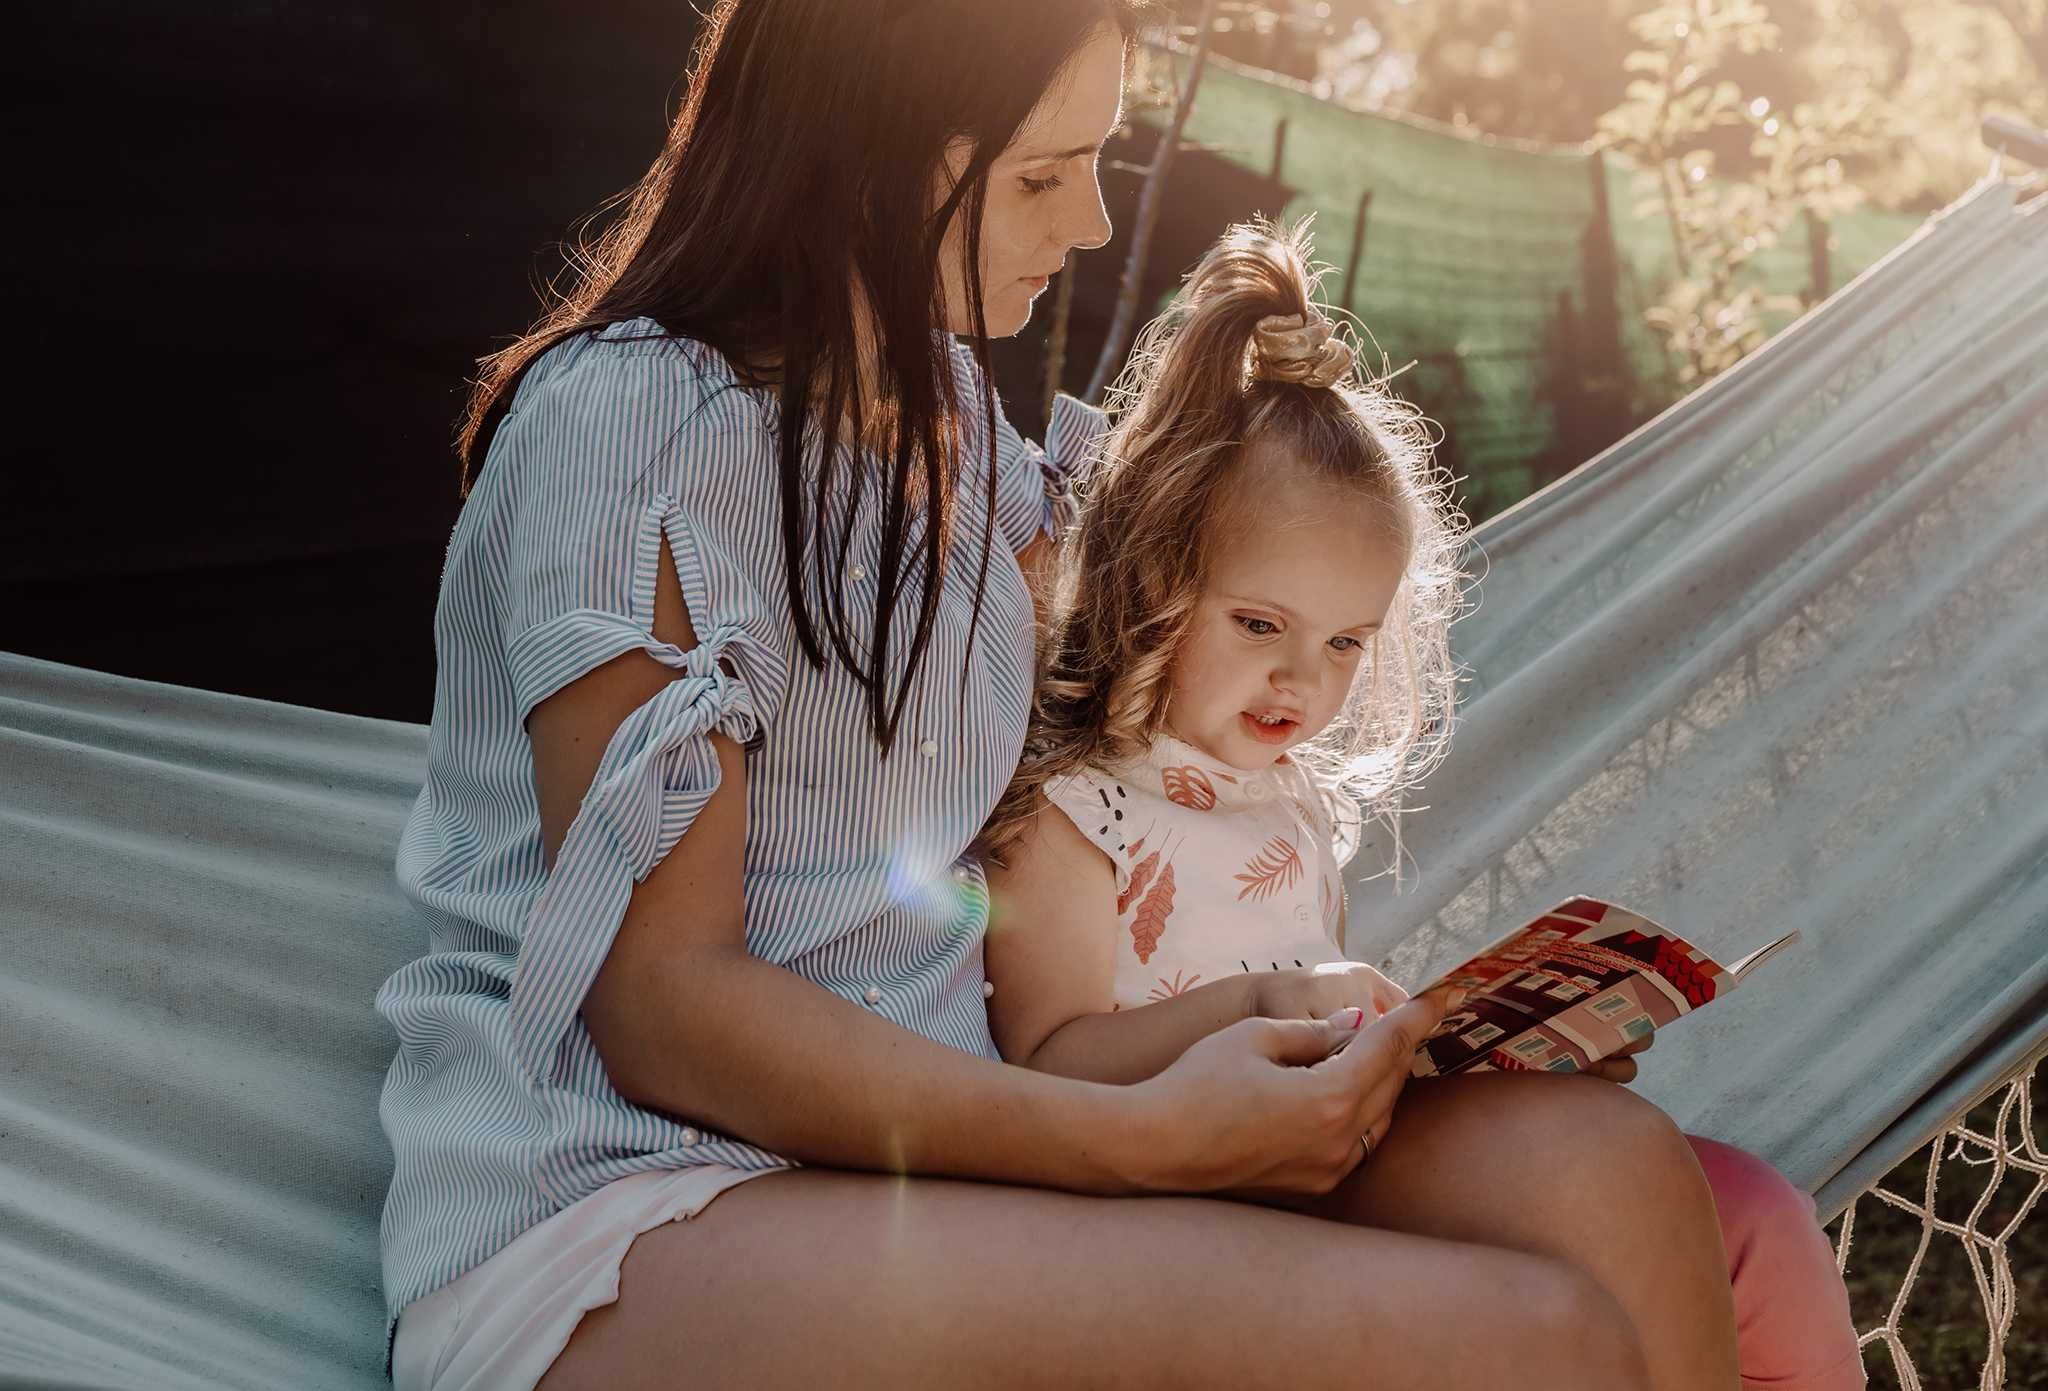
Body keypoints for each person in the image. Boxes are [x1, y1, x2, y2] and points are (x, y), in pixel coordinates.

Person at [374, 2, 1861, 1387]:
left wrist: (1377, 1030)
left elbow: (1153, 688)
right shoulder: (633, 426)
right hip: (640, 1195)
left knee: (1610, 1170)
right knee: (1523, 1338)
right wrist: (1131, 1141)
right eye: (1044, 177)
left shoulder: (944, 411)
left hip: (958, 1133)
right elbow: (665, 1008)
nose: (1085, 224)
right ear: (876, 162)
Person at [979, 220, 1869, 1391]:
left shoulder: (1284, 806)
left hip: (1333, 1146)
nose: (1302, 679)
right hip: (1202, 1178)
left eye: (1344, 640)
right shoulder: (1077, 811)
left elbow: (1324, 1027)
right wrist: (1255, 1003)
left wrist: (1475, 1058)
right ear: (1155, 576)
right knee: (1614, 1182)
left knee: (1753, 1211)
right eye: (1260, 624)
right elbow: (1047, 1068)